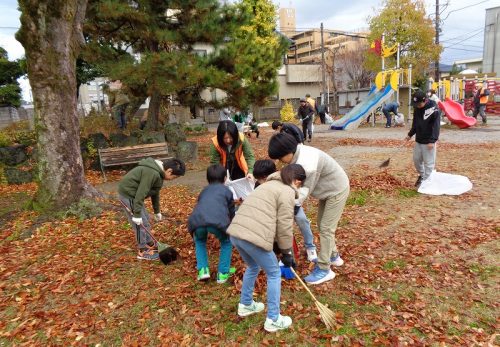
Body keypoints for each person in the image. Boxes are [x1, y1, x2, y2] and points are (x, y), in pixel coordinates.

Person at [227, 164, 306, 332]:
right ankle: (273, 319)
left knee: (253, 266)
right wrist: (286, 253)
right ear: (297, 181)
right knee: (274, 273)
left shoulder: (266, 185)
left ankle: (246, 304)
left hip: (236, 232)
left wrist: (281, 250)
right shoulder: (287, 191)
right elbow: (284, 225)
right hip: (253, 236)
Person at [268, 133, 350, 285]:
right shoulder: (297, 154)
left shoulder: (308, 164)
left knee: (326, 228)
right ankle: (333, 256)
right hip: (328, 191)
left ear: (288, 152)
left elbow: (301, 193)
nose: (280, 162)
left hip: (337, 190)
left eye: (280, 158)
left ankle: (325, 269)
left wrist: (283, 206)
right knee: (322, 224)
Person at [118, 158, 186, 260]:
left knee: (145, 219)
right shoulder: (152, 173)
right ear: (169, 171)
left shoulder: (159, 174)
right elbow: (141, 193)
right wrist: (136, 215)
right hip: (129, 195)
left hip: (135, 196)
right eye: (174, 176)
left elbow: (155, 192)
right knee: (140, 224)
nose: (173, 179)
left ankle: (149, 242)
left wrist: (157, 211)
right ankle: (142, 251)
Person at [253, 159, 317, 262]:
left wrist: (293, 209)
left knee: (302, 220)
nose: (262, 182)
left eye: (264, 178)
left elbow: (297, 195)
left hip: (293, 205)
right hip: (275, 211)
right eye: (259, 179)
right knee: (279, 229)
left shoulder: (285, 179)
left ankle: (310, 247)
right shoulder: (259, 186)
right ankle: (279, 252)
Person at [188, 165, 236, 283]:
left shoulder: (203, 191)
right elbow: (231, 211)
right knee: (226, 241)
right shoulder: (227, 191)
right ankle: (223, 274)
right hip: (217, 221)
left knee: (199, 241)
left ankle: (203, 271)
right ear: (225, 178)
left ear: (207, 179)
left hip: (197, 221)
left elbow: (201, 205)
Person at [405, 90, 440, 188]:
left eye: (419, 104)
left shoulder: (434, 109)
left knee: (428, 162)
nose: (417, 106)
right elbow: (415, 123)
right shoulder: (417, 108)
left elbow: (436, 126)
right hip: (419, 139)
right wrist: (410, 134)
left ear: (425, 100)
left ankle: (426, 181)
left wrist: (432, 140)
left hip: (428, 140)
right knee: (416, 160)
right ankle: (422, 175)